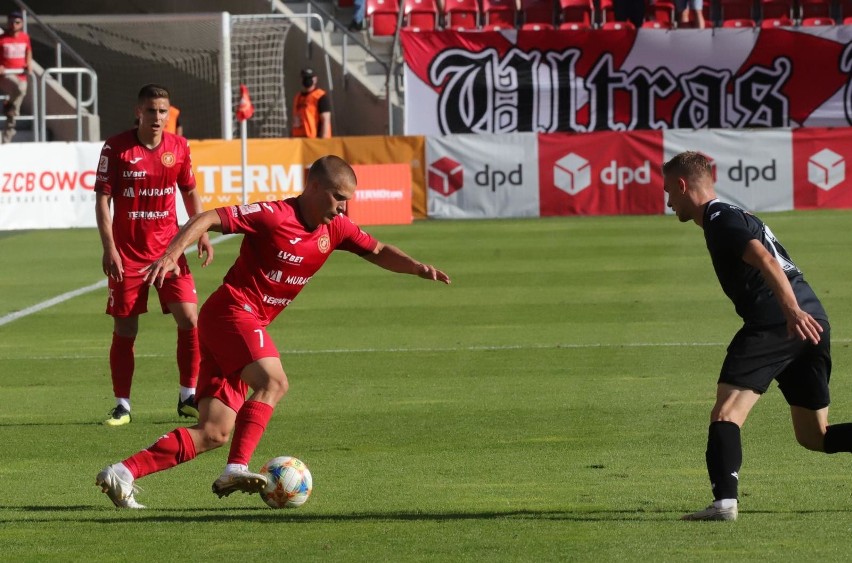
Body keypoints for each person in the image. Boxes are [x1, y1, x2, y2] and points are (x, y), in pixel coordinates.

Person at [95, 155, 451, 509]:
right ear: (313, 187)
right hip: (232, 313)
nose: (344, 207)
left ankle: (122, 472)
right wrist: (173, 253)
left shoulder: (336, 229)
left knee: (214, 432)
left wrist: (416, 268)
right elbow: (206, 217)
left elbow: (377, 250)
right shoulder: (274, 215)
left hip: (238, 326)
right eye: (338, 196)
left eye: (348, 200)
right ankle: (236, 467)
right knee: (274, 382)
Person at [662, 151, 852, 521]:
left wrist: (790, 312)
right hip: (814, 320)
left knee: (726, 412)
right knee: (815, 436)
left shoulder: (719, 219)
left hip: (779, 321)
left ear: (683, 186)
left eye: (669, 191)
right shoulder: (737, 214)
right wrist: (800, 312)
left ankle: (724, 504)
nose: (668, 201)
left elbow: (764, 259)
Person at [95, 83, 213, 427]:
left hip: (169, 253)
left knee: (190, 319)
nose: (157, 117)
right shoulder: (116, 148)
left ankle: (187, 395)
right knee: (126, 328)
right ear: (138, 112)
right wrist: (109, 248)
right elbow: (103, 200)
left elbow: (190, 192)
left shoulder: (178, 147)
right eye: (151, 110)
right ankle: (122, 404)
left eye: (163, 111)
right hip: (127, 255)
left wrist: (202, 231)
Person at [0, 10, 32, 143]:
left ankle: (7, 139)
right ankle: (9, 105)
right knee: (20, 89)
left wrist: (28, 64)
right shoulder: (2, 39)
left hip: (21, 75)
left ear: (22, 24)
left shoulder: (25, 37)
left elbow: (28, 51)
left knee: (14, 112)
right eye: (11, 22)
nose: (14, 25)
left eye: (17, 22)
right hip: (7, 75)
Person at [291, 67, 332, 139]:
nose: (307, 80)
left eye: (309, 78)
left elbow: (326, 119)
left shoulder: (320, 96)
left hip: (314, 139)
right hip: (298, 139)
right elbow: (295, 120)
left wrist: (324, 140)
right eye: (305, 78)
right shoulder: (298, 97)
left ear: (315, 79)